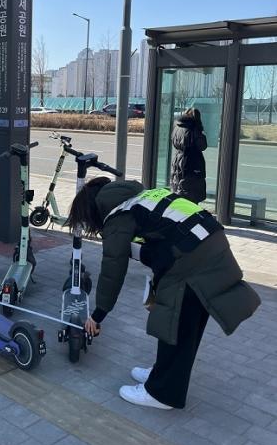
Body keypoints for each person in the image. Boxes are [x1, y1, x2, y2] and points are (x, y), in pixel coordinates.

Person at [69, 178, 261, 410]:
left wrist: (97, 315)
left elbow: (113, 270)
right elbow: (162, 241)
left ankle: (162, 393)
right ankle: (162, 373)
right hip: (210, 243)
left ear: (93, 210)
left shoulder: (118, 216)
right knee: (187, 322)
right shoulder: (140, 197)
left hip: (192, 258)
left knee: (173, 321)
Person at [170, 107, 207, 204]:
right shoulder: (193, 129)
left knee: (179, 186)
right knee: (191, 193)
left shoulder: (177, 127)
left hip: (178, 159)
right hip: (191, 163)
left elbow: (174, 142)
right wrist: (199, 130)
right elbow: (202, 145)